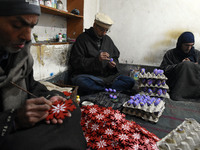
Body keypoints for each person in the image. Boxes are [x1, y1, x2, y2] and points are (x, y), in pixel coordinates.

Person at [0, 1, 86, 149]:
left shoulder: (20, 55)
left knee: (71, 108)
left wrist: (49, 97)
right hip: (8, 128)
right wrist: (14, 119)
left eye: (31, 26)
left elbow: (31, 85)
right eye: (16, 25)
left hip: (25, 121)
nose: (28, 37)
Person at [69, 12, 135, 96]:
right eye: (101, 30)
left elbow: (115, 57)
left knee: (130, 81)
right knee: (79, 81)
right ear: (94, 25)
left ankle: (101, 90)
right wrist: (96, 60)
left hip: (107, 77)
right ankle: (107, 90)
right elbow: (76, 62)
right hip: (91, 77)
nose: (104, 33)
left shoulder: (108, 40)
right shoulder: (82, 39)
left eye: (106, 30)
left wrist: (113, 65)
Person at [160, 31, 200, 101]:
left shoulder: (197, 54)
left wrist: (193, 66)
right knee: (185, 65)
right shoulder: (170, 54)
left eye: (191, 45)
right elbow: (163, 69)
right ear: (180, 44)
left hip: (195, 88)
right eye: (186, 45)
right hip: (176, 85)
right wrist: (179, 66)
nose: (189, 48)